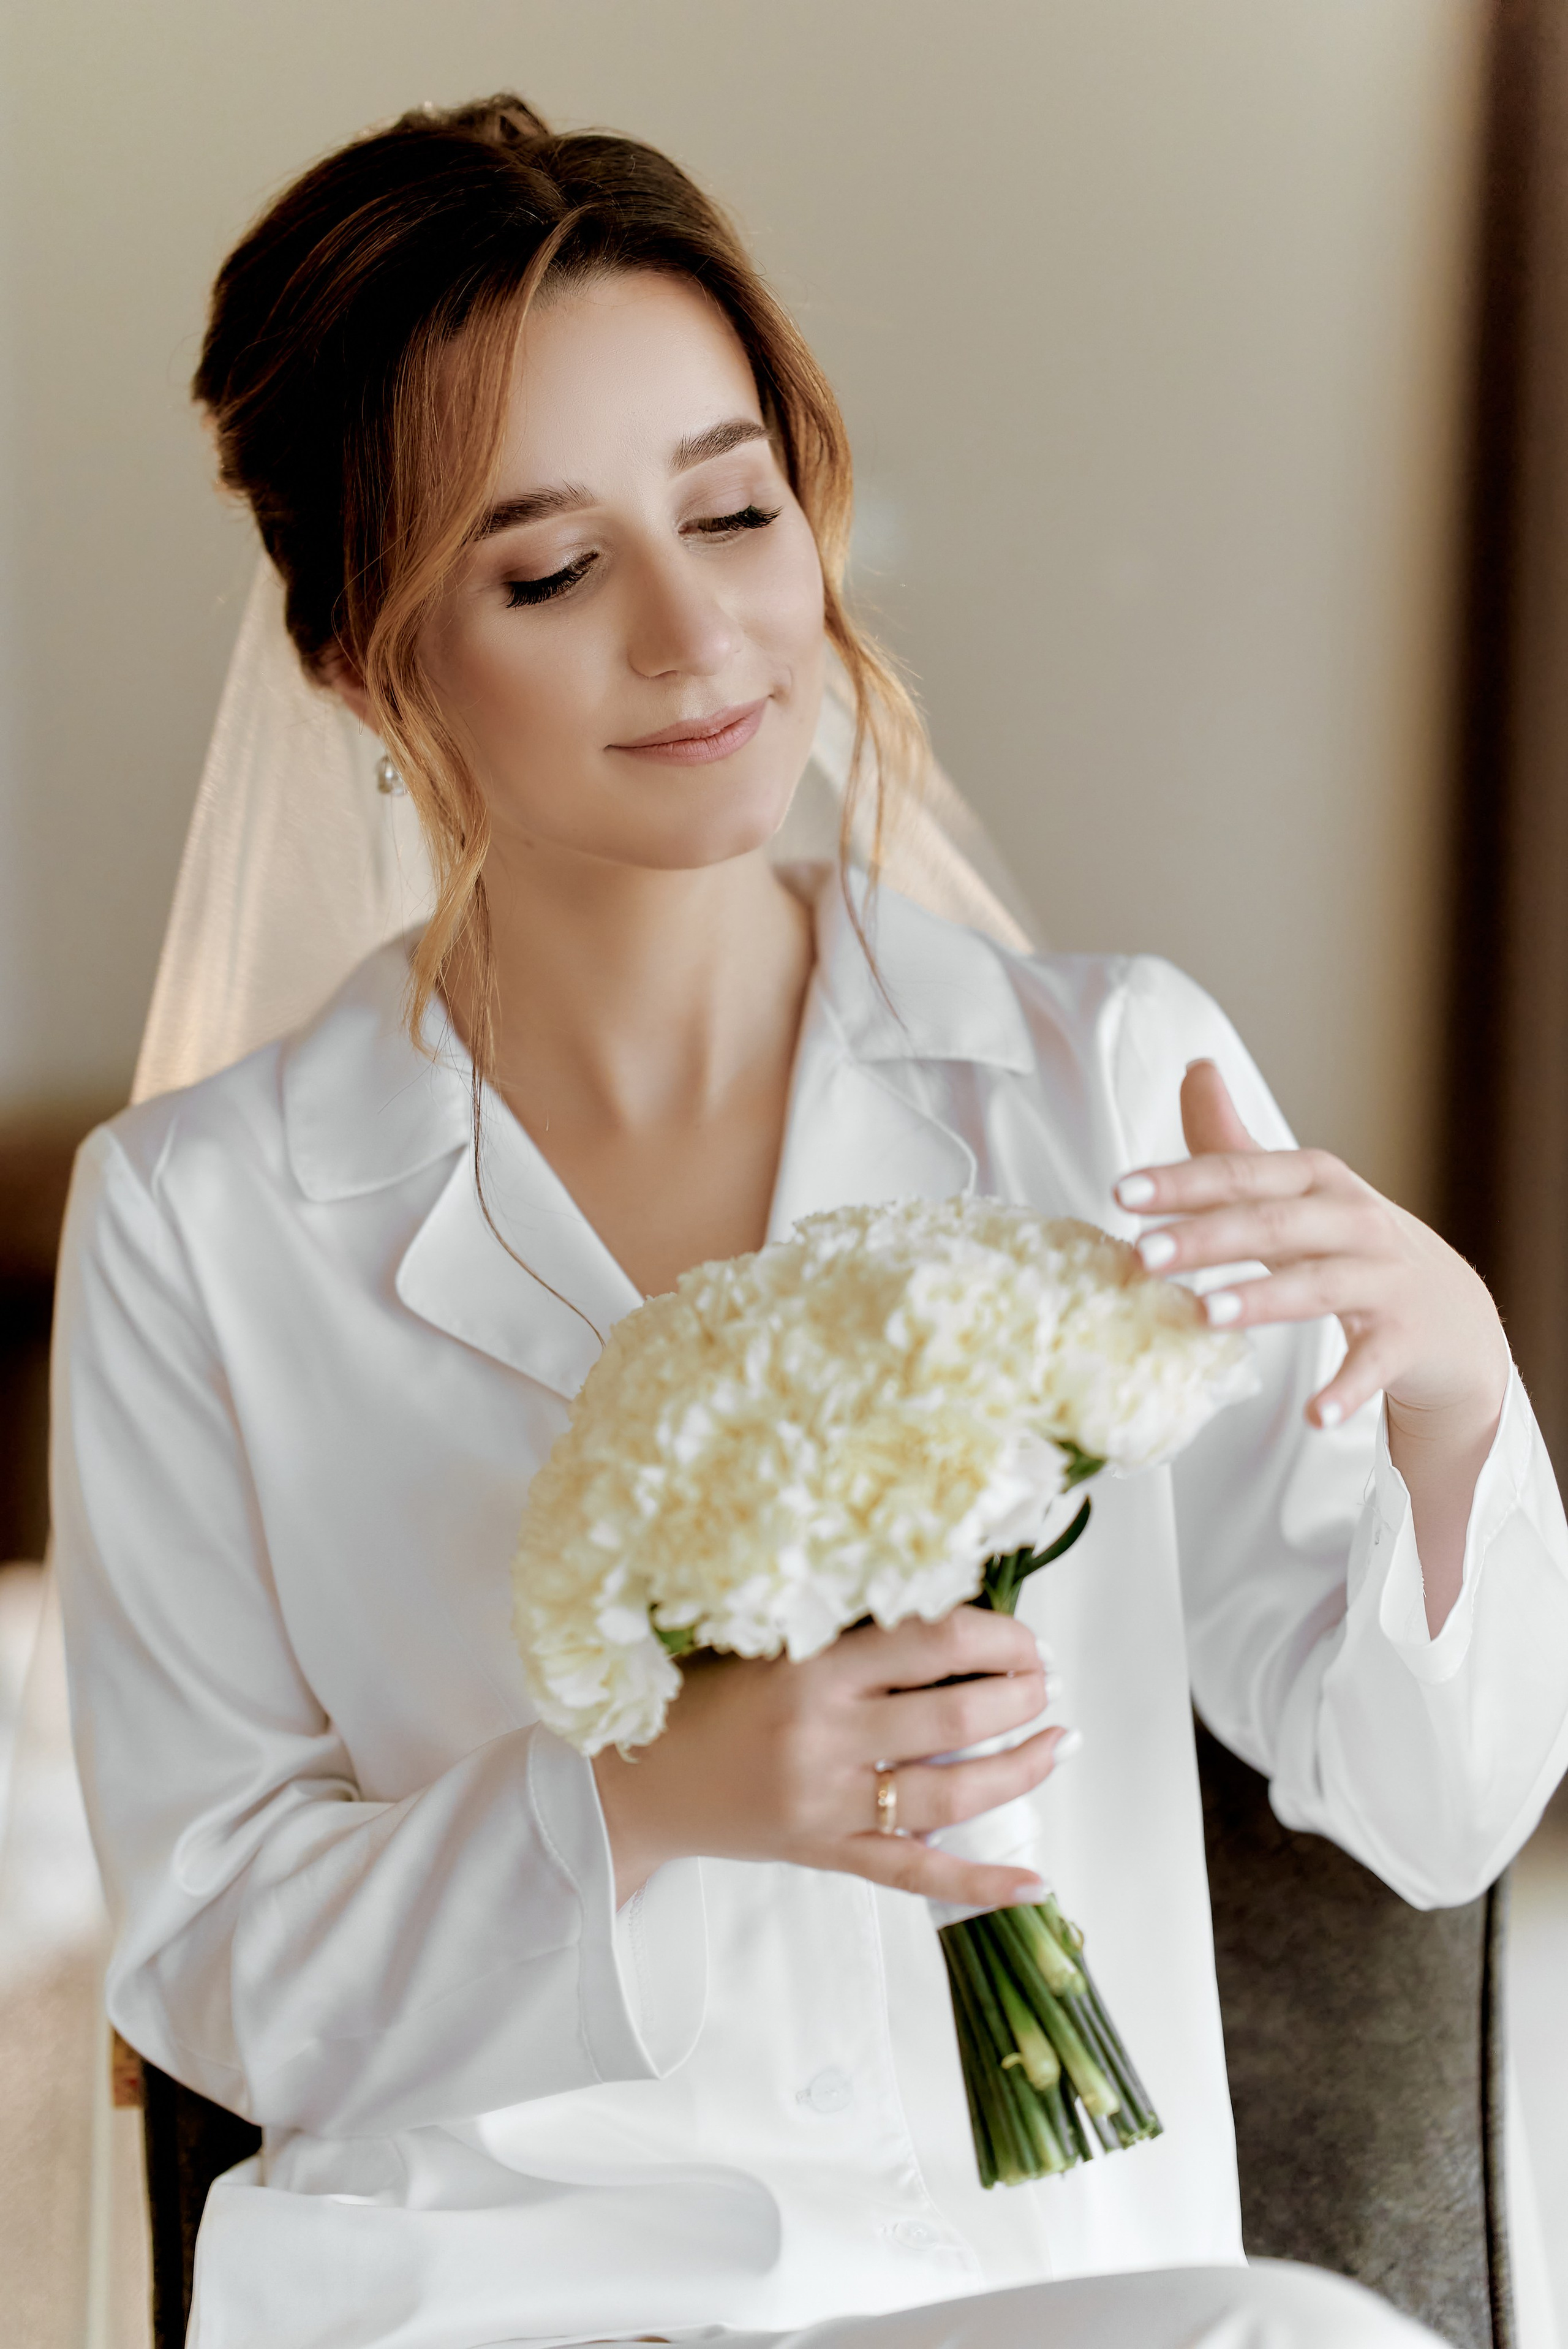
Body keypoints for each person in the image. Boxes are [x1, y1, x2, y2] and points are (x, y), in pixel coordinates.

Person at [51, 96, 1567, 2349]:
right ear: (368, 665)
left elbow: (1432, 1807)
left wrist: (1453, 1400)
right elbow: (211, 1956)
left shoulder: (1093, 1082)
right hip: (469, 2304)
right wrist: (651, 1802)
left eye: (738, 506)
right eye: (552, 569)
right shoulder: (197, 1222)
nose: (701, 632)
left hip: (1019, 2291)